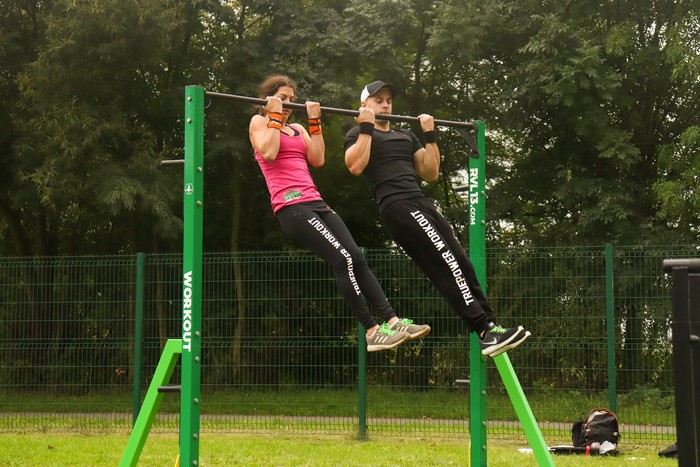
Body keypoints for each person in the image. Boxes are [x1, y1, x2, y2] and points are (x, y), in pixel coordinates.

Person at [343, 80, 530, 358]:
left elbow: (430, 173)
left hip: (421, 202)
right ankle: (483, 329)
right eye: (378, 100)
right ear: (364, 105)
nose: (385, 105)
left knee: (460, 261)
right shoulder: (358, 133)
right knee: (447, 263)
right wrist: (366, 126)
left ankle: (490, 326)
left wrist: (430, 136)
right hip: (397, 205)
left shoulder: (406, 135)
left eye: (388, 101)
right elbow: (355, 165)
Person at [249, 75, 430, 352]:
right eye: (282, 99)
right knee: (342, 259)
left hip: (315, 202)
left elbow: (318, 159)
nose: (287, 105)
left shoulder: (296, 128)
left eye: (291, 100)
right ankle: (372, 330)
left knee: (356, 257)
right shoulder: (259, 122)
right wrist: (273, 115)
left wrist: (314, 122)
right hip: (291, 206)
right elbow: (270, 152)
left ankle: (393, 321)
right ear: (268, 99)